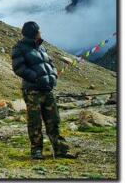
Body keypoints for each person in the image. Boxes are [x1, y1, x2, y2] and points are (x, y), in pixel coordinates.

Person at [11, 21, 76, 160]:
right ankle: (36, 151)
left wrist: (52, 77)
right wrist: (37, 79)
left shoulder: (41, 48)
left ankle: (60, 150)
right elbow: (19, 68)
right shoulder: (19, 48)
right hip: (32, 91)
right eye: (39, 30)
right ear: (33, 32)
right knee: (35, 122)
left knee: (54, 120)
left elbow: (50, 64)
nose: (41, 32)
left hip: (47, 89)